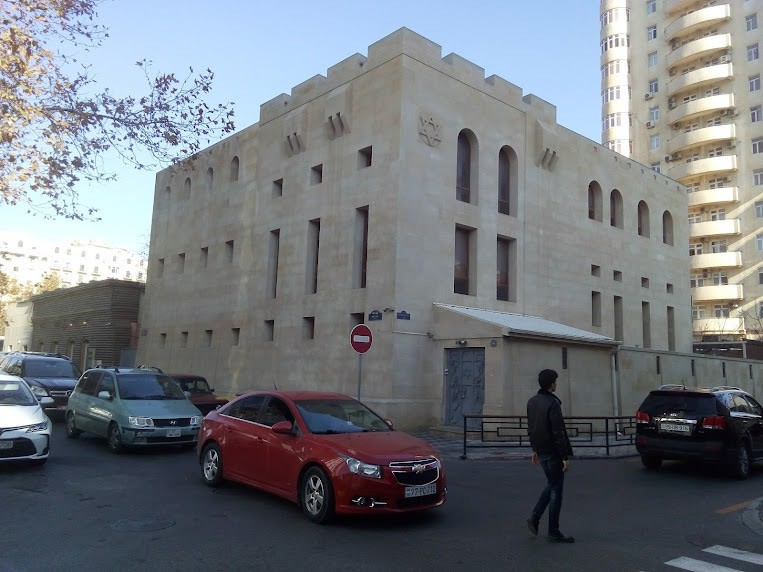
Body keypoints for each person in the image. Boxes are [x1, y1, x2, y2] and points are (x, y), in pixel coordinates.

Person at [526, 368, 575, 543]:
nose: (556, 384)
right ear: (550, 384)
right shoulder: (553, 404)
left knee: (552, 484)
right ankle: (552, 530)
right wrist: (565, 457)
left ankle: (535, 518)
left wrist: (534, 450)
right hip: (553, 452)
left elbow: (532, 428)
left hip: (541, 451)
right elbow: (558, 432)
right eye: (555, 381)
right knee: (556, 491)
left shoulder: (532, 402)